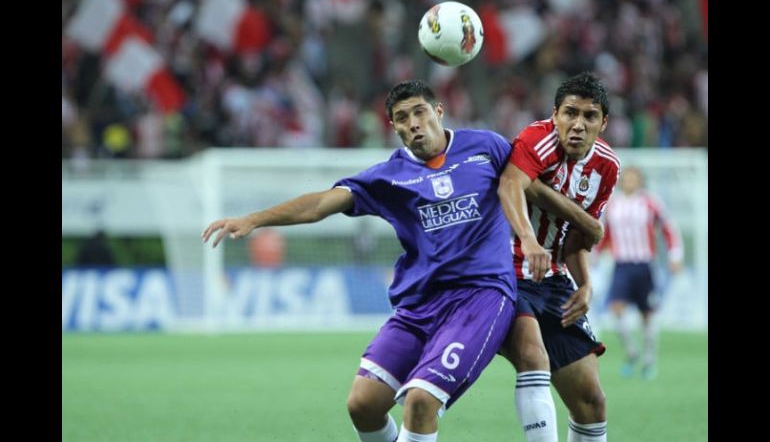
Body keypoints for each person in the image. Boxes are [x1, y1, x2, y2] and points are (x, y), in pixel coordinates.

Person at [202, 79, 601, 442]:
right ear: (393, 127)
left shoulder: (488, 147)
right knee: (363, 405)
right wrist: (255, 219)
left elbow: (528, 187)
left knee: (420, 401)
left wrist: (584, 226)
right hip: (418, 307)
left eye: (419, 112)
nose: (413, 124)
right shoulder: (389, 176)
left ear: (439, 112)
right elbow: (322, 203)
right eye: (401, 119)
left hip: (480, 298)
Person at [497, 72, 620, 442]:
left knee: (590, 401)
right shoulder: (536, 139)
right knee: (534, 356)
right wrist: (528, 239)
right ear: (555, 115)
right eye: (570, 113)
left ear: (603, 123)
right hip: (503, 271)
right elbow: (511, 184)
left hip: (551, 278)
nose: (578, 125)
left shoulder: (606, 167)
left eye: (589, 116)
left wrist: (585, 284)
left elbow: (575, 242)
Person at [596, 166, 683, 380]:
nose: (629, 181)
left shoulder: (650, 202)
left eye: (634, 178)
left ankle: (649, 360)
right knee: (616, 310)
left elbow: (668, 227)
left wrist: (674, 255)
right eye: (626, 178)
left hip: (645, 265)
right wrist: (594, 255)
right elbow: (603, 233)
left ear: (640, 181)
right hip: (621, 265)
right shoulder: (613, 204)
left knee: (648, 314)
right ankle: (632, 352)